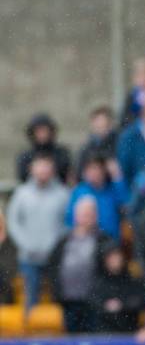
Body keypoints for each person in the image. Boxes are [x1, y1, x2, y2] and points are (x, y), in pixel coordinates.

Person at [7, 154, 69, 311]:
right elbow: (13, 222)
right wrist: (26, 244)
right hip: (28, 257)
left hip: (54, 257)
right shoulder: (21, 193)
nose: (42, 171)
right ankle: (30, 331)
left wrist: (55, 245)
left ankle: (60, 332)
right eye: (39, 166)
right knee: (30, 298)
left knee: (58, 298)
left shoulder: (62, 194)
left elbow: (67, 223)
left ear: (52, 170)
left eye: (46, 167)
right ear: (31, 169)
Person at [48, 197, 111, 333]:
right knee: (72, 336)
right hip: (68, 300)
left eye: (89, 214)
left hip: (94, 301)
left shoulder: (103, 239)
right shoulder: (64, 240)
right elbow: (53, 266)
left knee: (92, 336)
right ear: (76, 216)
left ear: (95, 216)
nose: (86, 218)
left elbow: (110, 269)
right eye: (83, 214)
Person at [16, 113, 72, 184]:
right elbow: (22, 176)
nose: (42, 134)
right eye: (38, 131)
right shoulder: (25, 155)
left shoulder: (61, 153)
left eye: (44, 130)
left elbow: (64, 174)